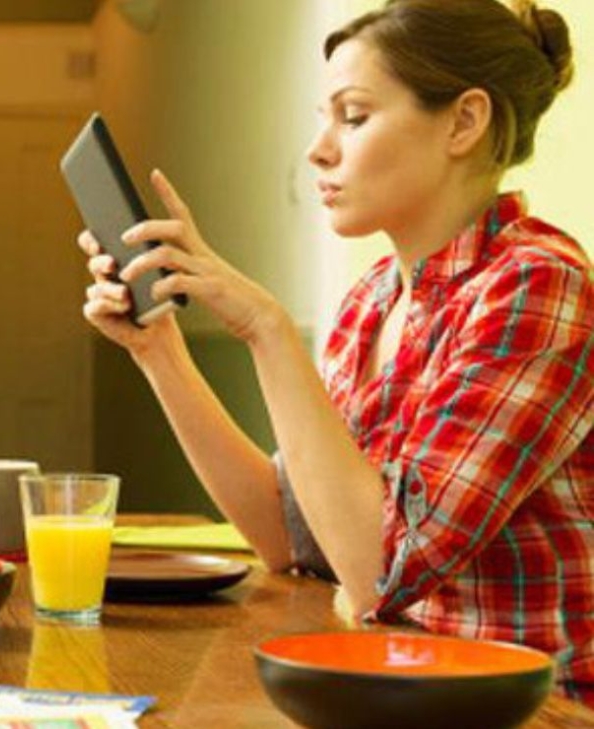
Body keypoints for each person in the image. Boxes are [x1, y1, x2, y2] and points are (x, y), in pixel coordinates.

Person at [80, 0, 593, 700]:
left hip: (535, 709)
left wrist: (266, 326)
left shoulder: (537, 286)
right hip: (400, 688)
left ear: (464, 122)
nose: (319, 150)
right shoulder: (372, 300)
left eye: (353, 117)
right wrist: (159, 349)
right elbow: (289, 535)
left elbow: (380, 572)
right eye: (323, 120)